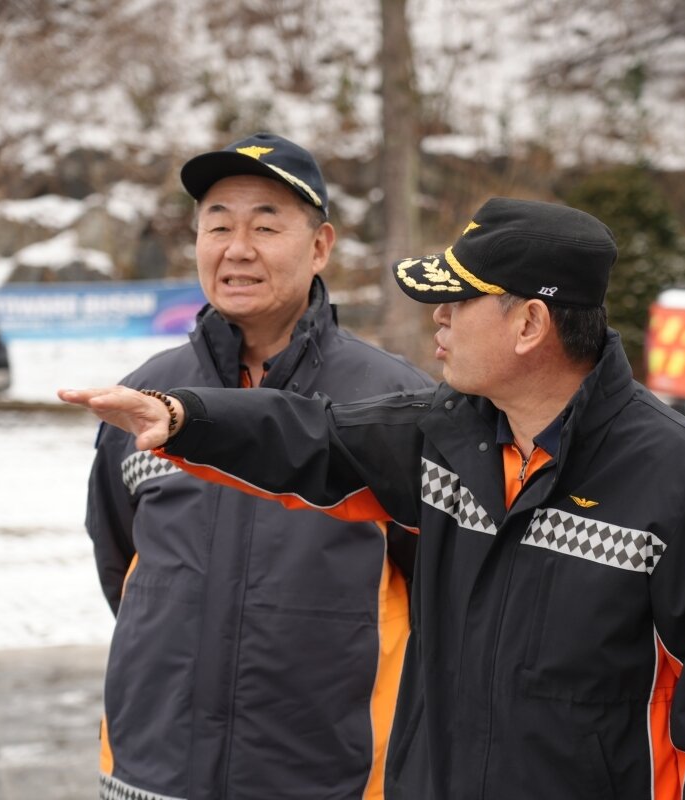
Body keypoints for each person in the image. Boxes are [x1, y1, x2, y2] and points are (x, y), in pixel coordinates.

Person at [64, 197, 685, 799]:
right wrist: (187, 418)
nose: (436, 319)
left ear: (530, 324)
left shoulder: (684, 482)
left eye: (455, 301)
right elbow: (313, 435)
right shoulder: (447, 436)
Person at [82, 132, 433, 800]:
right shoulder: (144, 399)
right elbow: (119, 562)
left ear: (321, 245)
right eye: (217, 224)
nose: (236, 249)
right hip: (156, 767)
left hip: (334, 773)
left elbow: (439, 589)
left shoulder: (393, 403)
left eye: (265, 226)